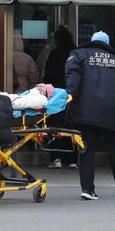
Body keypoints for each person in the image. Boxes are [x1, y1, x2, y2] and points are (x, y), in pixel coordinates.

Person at [65, 31, 115, 200]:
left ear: (91, 42)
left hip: (85, 111)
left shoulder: (78, 55)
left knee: (86, 150)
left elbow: (73, 80)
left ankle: (88, 189)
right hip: (111, 112)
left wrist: (68, 101)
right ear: (108, 44)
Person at [44, 25, 78, 169]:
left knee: (55, 127)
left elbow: (48, 76)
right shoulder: (77, 54)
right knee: (72, 127)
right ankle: (72, 159)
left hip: (56, 95)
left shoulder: (54, 54)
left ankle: (56, 158)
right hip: (73, 95)